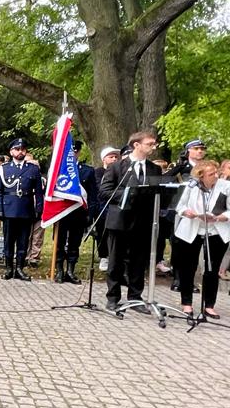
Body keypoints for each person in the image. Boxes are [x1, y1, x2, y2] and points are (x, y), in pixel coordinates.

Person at [99, 130, 162, 312]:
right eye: (149, 144)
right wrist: (128, 193)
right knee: (116, 260)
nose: (153, 147)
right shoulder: (117, 167)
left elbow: (157, 193)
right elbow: (104, 192)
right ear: (136, 145)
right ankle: (113, 297)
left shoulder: (154, 168)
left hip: (143, 221)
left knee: (138, 261)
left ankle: (135, 297)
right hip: (120, 220)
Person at [172, 159, 229, 319]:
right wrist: (186, 212)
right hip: (192, 229)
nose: (216, 176)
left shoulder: (226, 186)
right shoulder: (190, 187)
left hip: (216, 230)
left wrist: (222, 217)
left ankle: (209, 305)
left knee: (212, 268)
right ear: (201, 176)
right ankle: (187, 303)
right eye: (211, 174)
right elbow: (179, 206)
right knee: (187, 267)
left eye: (216, 172)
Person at [0, 138, 44, 281]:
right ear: (11, 151)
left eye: (22, 149)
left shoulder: (33, 169)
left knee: (23, 241)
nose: (20, 151)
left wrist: (39, 208)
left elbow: (38, 192)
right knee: (8, 240)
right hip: (9, 209)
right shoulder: (4, 168)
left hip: (26, 209)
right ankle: (9, 268)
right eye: (17, 149)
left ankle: (20, 268)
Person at [53, 140, 100, 283]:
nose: (71, 154)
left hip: (79, 212)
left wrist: (90, 215)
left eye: (74, 151)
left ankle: (70, 270)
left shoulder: (87, 170)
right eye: (68, 152)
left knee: (74, 243)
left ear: (78, 152)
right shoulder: (58, 170)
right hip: (61, 212)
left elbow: (93, 195)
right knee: (59, 242)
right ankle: (59, 270)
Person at [164, 139, 207, 291]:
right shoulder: (181, 167)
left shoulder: (208, 168)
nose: (200, 151)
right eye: (196, 148)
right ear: (188, 150)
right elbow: (165, 181)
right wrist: (177, 169)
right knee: (178, 246)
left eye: (202, 149)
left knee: (195, 248)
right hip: (180, 211)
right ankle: (177, 279)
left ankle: (189, 281)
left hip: (199, 213)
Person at [94, 146, 121, 271]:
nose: (114, 159)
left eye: (116, 157)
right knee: (102, 232)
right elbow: (101, 189)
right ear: (104, 159)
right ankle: (103, 256)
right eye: (111, 157)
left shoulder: (121, 172)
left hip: (117, 206)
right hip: (102, 207)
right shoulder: (98, 172)